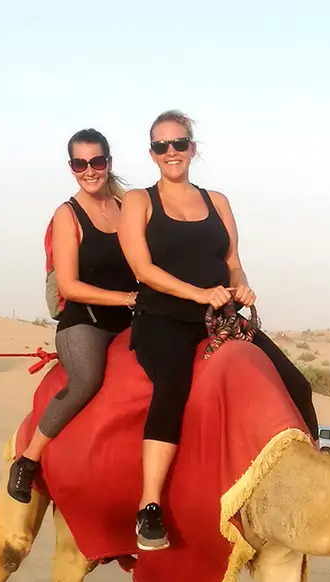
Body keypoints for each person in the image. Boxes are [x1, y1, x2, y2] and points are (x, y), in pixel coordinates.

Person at [117, 109, 319, 551]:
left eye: (179, 143)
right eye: (161, 146)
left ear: (193, 148)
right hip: (165, 316)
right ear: (152, 154)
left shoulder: (218, 201)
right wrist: (196, 293)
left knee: (296, 385)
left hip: (222, 317)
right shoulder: (139, 201)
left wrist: (240, 286)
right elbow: (142, 268)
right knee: (172, 387)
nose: (171, 153)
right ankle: (149, 506)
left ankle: (313, 482)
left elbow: (231, 261)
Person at [7, 128, 139, 504]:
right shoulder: (68, 215)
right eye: (80, 163)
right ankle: (28, 459)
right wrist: (127, 297)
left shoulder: (129, 206)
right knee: (87, 379)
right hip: (85, 322)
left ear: (108, 162)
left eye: (96, 162)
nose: (90, 170)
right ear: (71, 167)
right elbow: (69, 286)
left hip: (131, 318)